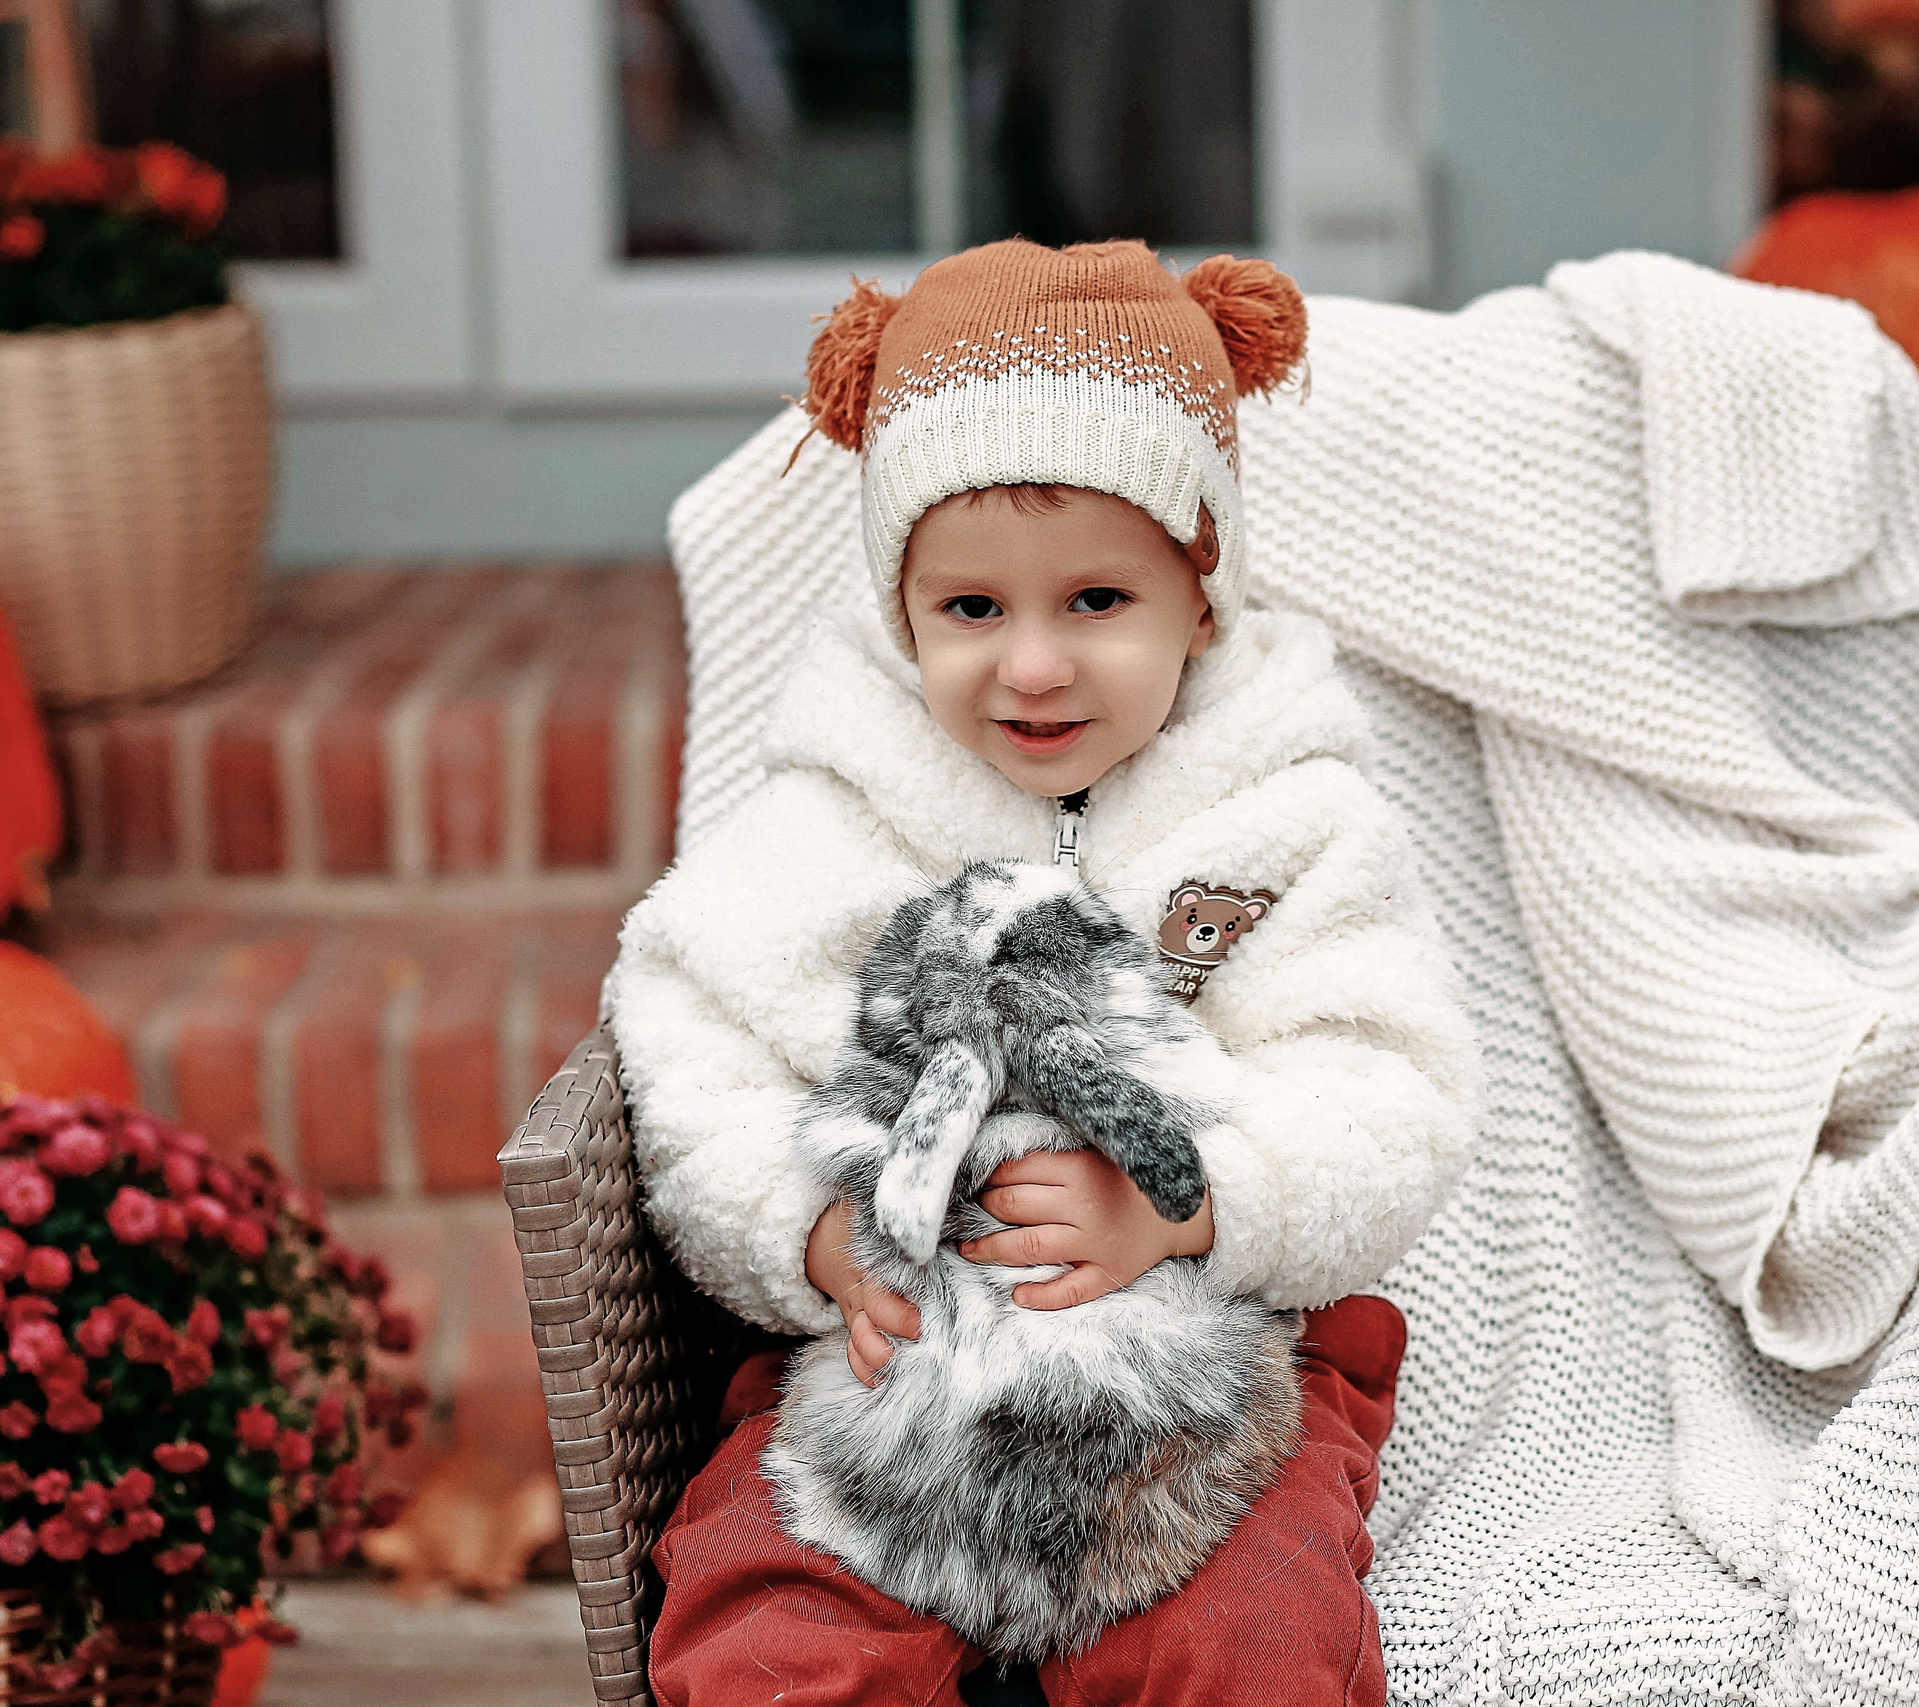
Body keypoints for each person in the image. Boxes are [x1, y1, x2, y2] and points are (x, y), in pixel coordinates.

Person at [605, 237, 1482, 1706]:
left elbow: (1387, 1087)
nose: (1030, 669)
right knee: (767, 1632)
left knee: (1250, 1640)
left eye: (1095, 603)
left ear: (1200, 595)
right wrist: (809, 1238)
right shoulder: (833, 810)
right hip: (883, 1380)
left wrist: (1188, 1200)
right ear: (902, 609)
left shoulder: (1292, 815)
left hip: (1210, 1374)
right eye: (970, 611)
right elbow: (695, 1052)